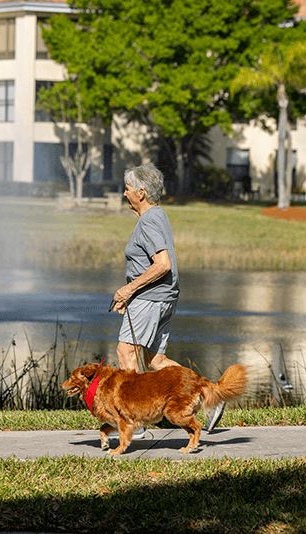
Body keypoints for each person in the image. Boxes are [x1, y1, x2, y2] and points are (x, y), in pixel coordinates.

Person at [110, 163, 225, 432]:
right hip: (161, 297)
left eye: (127, 189)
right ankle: (211, 396)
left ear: (140, 192)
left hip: (150, 299)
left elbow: (162, 264)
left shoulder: (149, 220)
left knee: (125, 351)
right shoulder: (158, 216)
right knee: (155, 361)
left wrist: (128, 290)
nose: (124, 194)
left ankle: (134, 425)